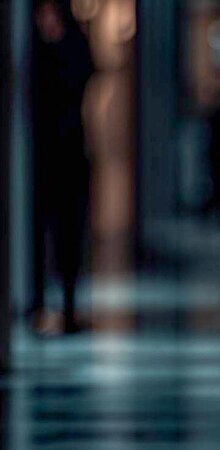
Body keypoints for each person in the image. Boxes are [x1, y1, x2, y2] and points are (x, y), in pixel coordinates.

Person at [32, 0, 92, 334]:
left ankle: (68, 306)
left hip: (69, 154)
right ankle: (39, 302)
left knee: (69, 235)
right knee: (42, 235)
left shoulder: (72, 45)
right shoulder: (36, 49)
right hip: (45, 157)